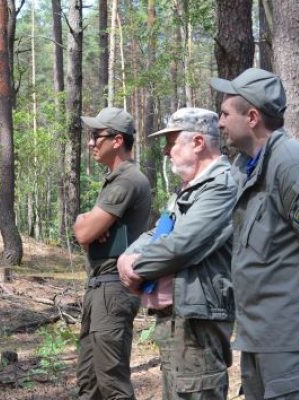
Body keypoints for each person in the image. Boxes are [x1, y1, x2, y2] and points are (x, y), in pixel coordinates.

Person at [210, 68, 299, 399]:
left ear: (252, 117)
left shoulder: (291, 165)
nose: (219, 122)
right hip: (261, 340)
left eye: (224, 113)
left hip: (293, 345)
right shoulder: (247, 168)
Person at [117, 107, 236, 400]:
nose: (167, 151)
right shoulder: (188, 190)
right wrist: (126, 257)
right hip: (177, 316)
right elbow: (157, 233)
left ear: (197, 143)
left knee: (197, 392)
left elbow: (180, 245)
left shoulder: (222, 186)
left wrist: (137, 267)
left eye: (172, 142)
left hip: (198, 319)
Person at [73, 107, 151, 399]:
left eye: (96, 135)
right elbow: (84, 231)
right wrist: (85, 222)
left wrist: (86, 225)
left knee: (112, 384)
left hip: (113, 289)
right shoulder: (116, 179)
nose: (91, 142)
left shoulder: (128, 180)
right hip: (99, 289)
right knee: (89, 382)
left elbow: (83, 234)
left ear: (117, 140)